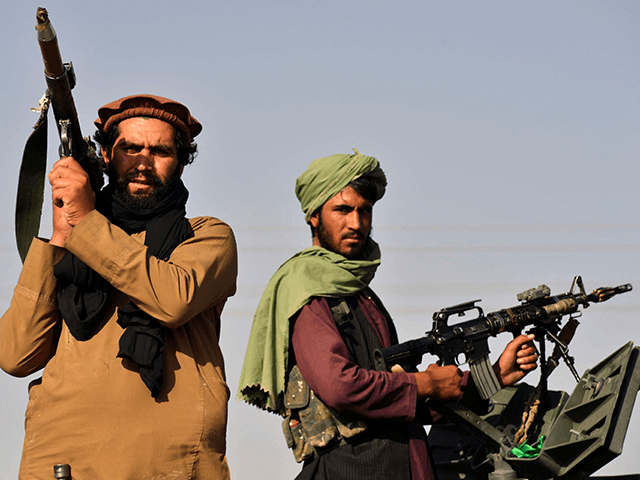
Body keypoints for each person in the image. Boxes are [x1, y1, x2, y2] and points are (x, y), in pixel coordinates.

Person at [237, 149, 538, 480]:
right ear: (314, 216)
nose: (356, 223)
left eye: (364, 211)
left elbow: (399, 397)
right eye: (342, 210)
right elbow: (340, 387)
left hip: (404, 462)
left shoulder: (363, 295)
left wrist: (494, 376)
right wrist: (424, 384)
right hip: (350, 467)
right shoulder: (306, 289)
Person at [0, 95, 238, 479]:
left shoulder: (207, 236)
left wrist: (87, 223)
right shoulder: (79, 238)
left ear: (180, 162)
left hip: (172, 464)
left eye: (159, 150)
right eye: (130, 148)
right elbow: (15, 355)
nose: (143, 162)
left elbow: (173, 299)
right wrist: (62, 238)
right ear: (107, 156)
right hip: (64, 462)